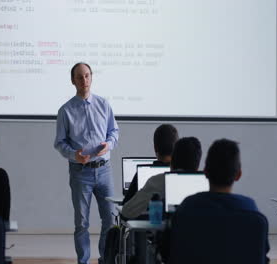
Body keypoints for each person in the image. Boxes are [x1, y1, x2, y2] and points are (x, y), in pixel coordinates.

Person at [162, 139, 269, 263]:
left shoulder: (186, 209)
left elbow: (167, 253)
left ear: (205, 172)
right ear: (238, 174)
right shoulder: (253, 215)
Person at [54, 62, 119, 264]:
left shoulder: (104, 104)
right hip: (80, 171)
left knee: (109, 219)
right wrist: (75, 155)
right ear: (73, 80)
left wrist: (108, 144)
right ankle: (83, 261)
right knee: (82, 222)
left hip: (104, 170)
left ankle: (105, 259)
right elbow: (59, 143)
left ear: (92, 77)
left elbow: (114, 132)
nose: (85, 80)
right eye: (80, 77)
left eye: (88, 76)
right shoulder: (65, 110)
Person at [121, 136, 202, 219]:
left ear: (172, 161)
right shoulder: (205, 185)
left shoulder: (157, 181)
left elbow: (126, 212)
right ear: (197, 165)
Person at [123, 124, 179, 204]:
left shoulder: (142, 174)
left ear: (155, 148)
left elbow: (125, 209)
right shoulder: (183, 175)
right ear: (177, 148)